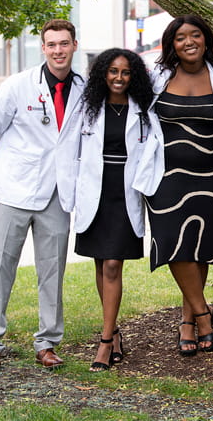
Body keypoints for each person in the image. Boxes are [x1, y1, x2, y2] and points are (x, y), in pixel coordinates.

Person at [0, 19, 83, 372]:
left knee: (52, 272)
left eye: (64, 44)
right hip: (13, 192)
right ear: (43, 48)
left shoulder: (85, 88)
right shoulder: (18, 86)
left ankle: (47, 343)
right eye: (51, 45)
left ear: (74, 46)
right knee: (1, 269)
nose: (58, 51)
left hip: (57, 195)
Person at [133, 15, 213, 356]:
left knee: (201, 247)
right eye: (180, 37)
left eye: (195, 35)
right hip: (165, 177)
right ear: (171, 44)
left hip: (212, 178)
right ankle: (204, 316)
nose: (189, 41)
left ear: (206, 39)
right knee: (174, 245)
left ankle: (187, 321)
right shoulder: (155, 77)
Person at [74, 48, 154, 371]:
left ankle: (105, 342)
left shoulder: (144, 110)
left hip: (126, 191)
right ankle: (115, 331)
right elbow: (71, 149)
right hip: (95, 189)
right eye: (112, 71)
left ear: (133, 76)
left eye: (125, 72)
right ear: (102, 75)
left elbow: (153, 149)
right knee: (99, 264)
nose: (119, 78)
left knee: (112, 265)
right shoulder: (89, 107)